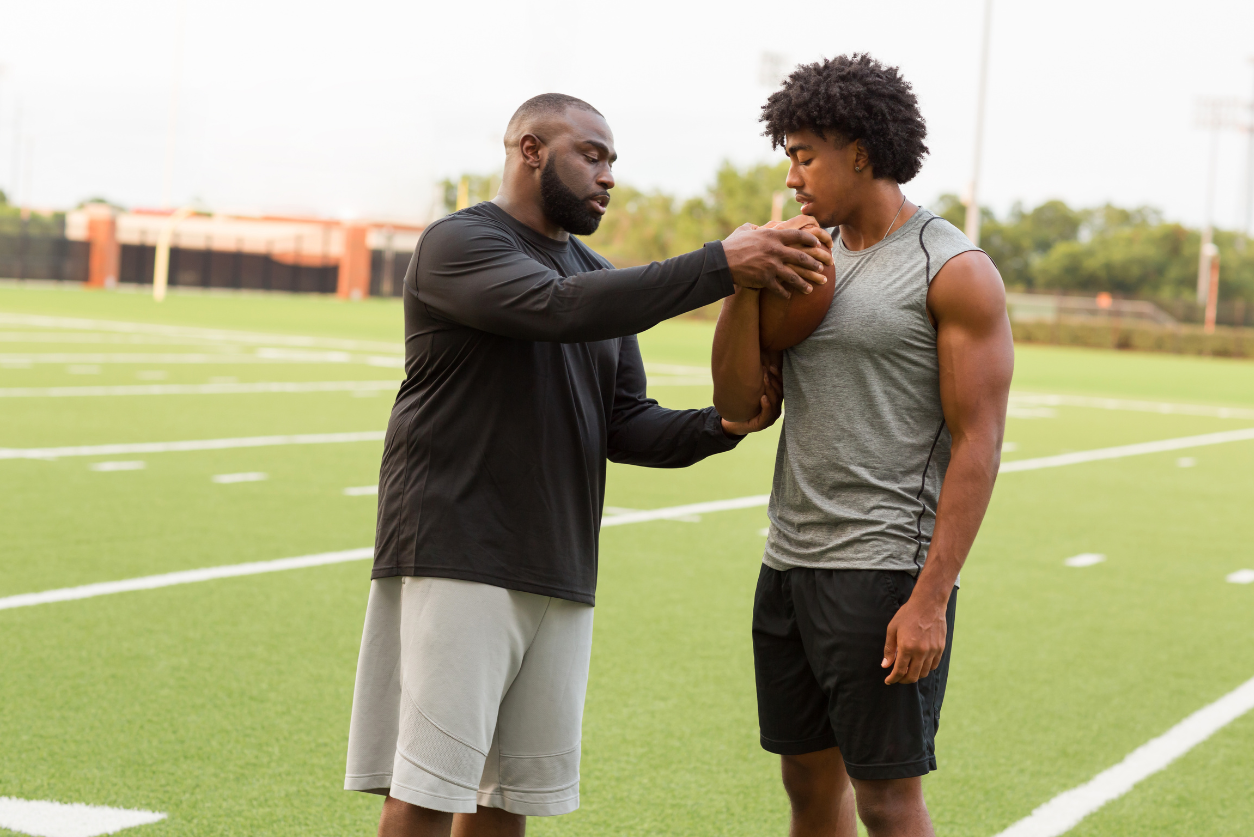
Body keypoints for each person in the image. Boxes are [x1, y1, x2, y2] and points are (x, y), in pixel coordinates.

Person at [344, 92, 834, 837]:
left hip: (560, 565)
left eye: (614, 162)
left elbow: (624, 423)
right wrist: (719, 264)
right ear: (530, 150)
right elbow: (556, 307)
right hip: (458, 552)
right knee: (429, 790)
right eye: (593, 155)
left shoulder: (595, 273)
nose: (608, 177)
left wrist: (723, 424)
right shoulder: (458, 244)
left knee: (508, 796)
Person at [711, 55, 1014, 837]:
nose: (792, 178)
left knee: (886, 801)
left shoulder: (952, 268)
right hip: (789, 563)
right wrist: (744, 281)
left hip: (884, 571)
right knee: (809, 791)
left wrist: (930, 599)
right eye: (788, 158)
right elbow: (742, 405)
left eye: (804, 155)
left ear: (862, 153)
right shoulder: (802, 258)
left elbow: (978, 444)